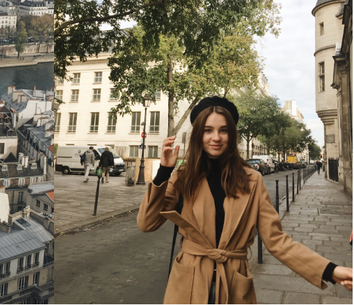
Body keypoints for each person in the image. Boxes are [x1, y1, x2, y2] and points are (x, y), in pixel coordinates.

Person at [137, 96, 352, 304]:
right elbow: (147, 223)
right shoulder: (183, 177)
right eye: (208, 130)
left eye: (223, 130)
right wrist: (164, 171)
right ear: (198, 136)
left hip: (233, 284)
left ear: (232, 135)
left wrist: (330, 270)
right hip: (187, 283)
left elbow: (277, 241)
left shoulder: (252, 180)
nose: (216, 137)